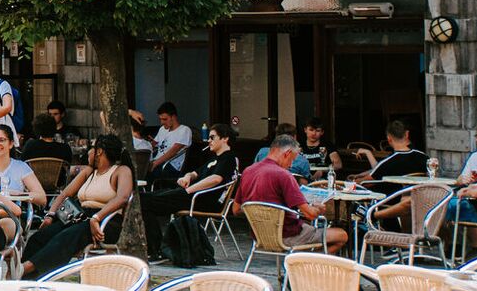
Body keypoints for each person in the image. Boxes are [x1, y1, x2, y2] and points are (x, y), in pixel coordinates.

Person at [22, 134, 137, 277]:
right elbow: (65, 194)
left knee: (66, 236)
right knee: (40, 237)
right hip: (79, 216)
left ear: (99, 151)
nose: (87, 153)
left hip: (106, 220)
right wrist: (50, 215)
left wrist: (96, 217)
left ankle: (26, 268)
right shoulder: (89, 171)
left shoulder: (121, 170)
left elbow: (123, 197)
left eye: (91, 149)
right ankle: (25, 280)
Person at [233, 134, 346, 253]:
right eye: (292, 160)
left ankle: (302, 261)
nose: (291, 165)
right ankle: (304, 264)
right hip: (288, 235)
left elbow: (236, 210)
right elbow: (310, 215)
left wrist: (259, 213)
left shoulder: (248, 171)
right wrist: (318, 208)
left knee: (307, 228)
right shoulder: (284, 175)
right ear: (287, 153)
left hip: (260, 236)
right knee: (341, 235)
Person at [143, 122, 235, 254]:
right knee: (143, 201)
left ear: (225, 138)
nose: (208, 141)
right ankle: (156, 248)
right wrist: (187, 177)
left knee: (144, 201)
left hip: (202, 201)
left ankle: (157, 249)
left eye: (212, 137)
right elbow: (194, 173)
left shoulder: (229, 158)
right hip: (190, 196)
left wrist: (190, 190)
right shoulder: (213, 159)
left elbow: (216, 179)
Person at [355, 120, 425, 183]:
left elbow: (365, 183)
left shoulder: (389, 162)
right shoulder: (424, 157)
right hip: (418, 196)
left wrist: (353, 180)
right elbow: (378, 169)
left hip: (391, 197)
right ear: (407, 134)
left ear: (389, 138)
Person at [148, 102, 193, 181]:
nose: (162, 122)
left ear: (174, 117)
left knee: (147, 174)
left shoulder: (184, 130)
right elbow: (154, 144)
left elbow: (174, 150)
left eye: (165, 119)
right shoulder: (162, 129)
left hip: (171, 165)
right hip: (158, 162)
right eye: (160, 119)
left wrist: (155, 163)